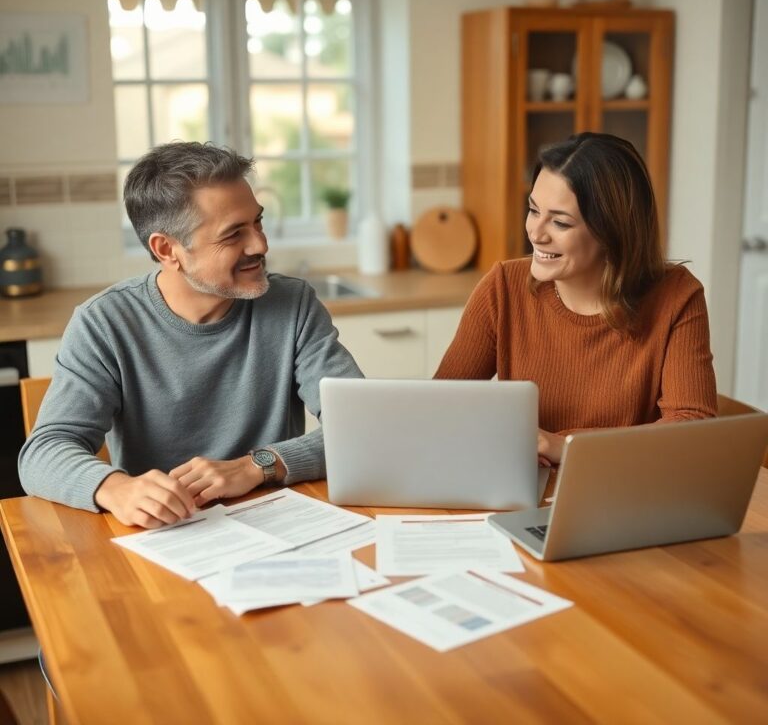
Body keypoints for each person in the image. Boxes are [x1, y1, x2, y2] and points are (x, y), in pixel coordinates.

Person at [19, 141, 362, 528]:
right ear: (168, 249)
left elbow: (364, 428)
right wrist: (116, 489)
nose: (260, 244)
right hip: (168, 536)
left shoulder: (294, 304)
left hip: (281, 523)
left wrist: (258, 465)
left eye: (258, 222)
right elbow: (43, 453)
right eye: (233, 235)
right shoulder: (104, 324)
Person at [435, 132, 717, 465]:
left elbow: (692, 430)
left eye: (560, 222)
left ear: (612, 231)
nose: (536, 233)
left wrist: (565, 445)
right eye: (533, 210)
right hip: (523, 495)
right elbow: (442, 408)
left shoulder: (677, 297)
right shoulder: (503, 287)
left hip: (624, 492)